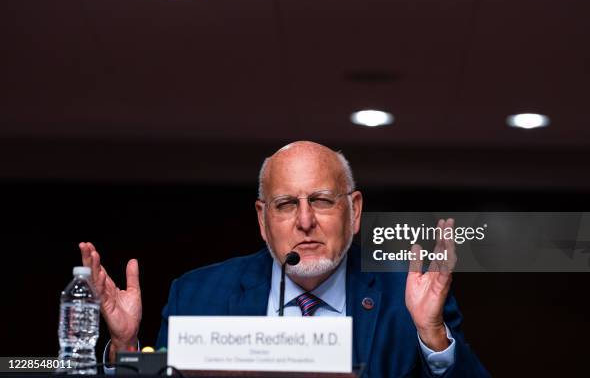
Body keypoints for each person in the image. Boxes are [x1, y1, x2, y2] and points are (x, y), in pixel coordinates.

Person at [79, 141, 489, 377]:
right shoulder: (198, 295)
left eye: (322, 201)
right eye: (286, 204)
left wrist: (433, 335)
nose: (305, 221)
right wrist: (125, 346)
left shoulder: (406, 294)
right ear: (262, 218)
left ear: (355, 211)